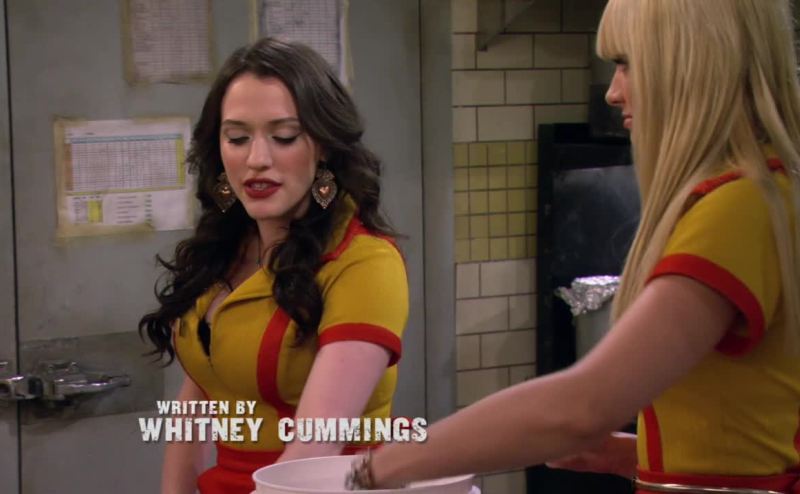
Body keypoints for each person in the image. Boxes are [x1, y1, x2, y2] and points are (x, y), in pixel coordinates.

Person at [346, 0, 800, 492]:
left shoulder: (736, 209)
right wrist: (632, 456)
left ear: (694, 64)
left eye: (628, 63)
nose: (613, 91)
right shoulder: (764, 194)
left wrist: (382, 466)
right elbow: (747, 426)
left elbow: (581, 408)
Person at [138, 37, 409, 494]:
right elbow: (196, 402)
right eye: (237, 138)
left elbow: (314, 448)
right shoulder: (221, 252)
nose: (257, 160)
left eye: (284, 137)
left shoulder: (365, 262)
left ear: (324, 146)